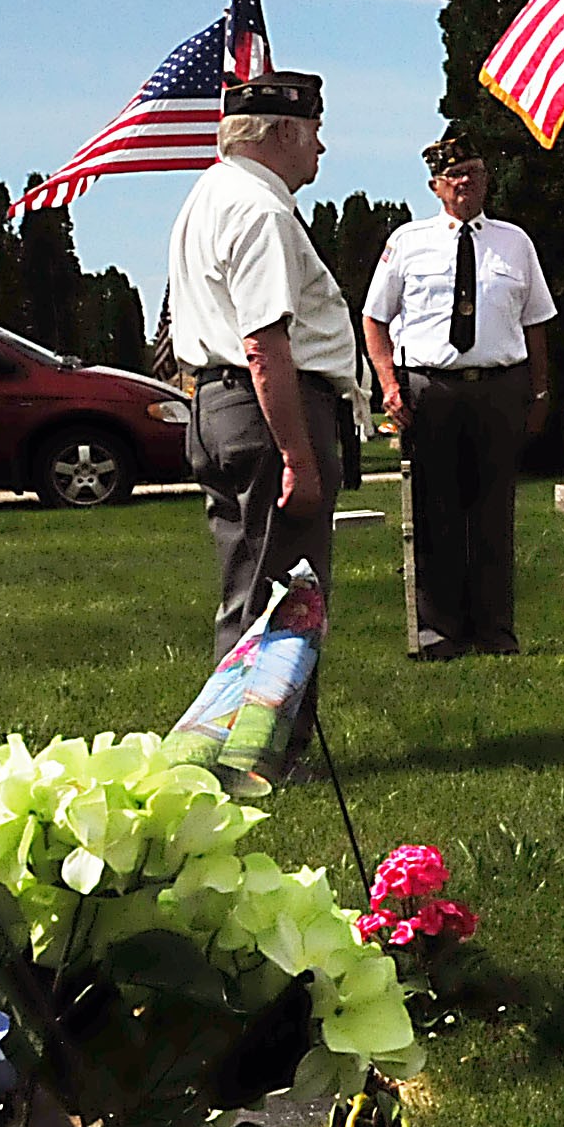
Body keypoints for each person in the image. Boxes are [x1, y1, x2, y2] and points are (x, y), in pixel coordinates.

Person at [168, 71, 358, 775]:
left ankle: (224, 751)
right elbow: (264, 341)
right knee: (288, 593)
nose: (321, 147)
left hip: (216, 405)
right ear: (282, 132)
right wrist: (298, 458)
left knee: (251, 585)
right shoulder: (263, 211)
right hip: (266, 406)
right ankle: (260, 756)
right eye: (313, 131)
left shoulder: (209, 195)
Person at [360, 133, 557, 659]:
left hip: (499, 388)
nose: (466, 183)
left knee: (494, 516)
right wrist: (388, 384)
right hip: (432, 390)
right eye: (455, 176)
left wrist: (539, 392)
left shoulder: (515, 242)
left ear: (487, 180)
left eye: (475, 172)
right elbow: (375, 318)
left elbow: (536, 321)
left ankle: (495, 632)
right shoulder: (407, 242)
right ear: (435, 187)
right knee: (434, 515)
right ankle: (439, 633)